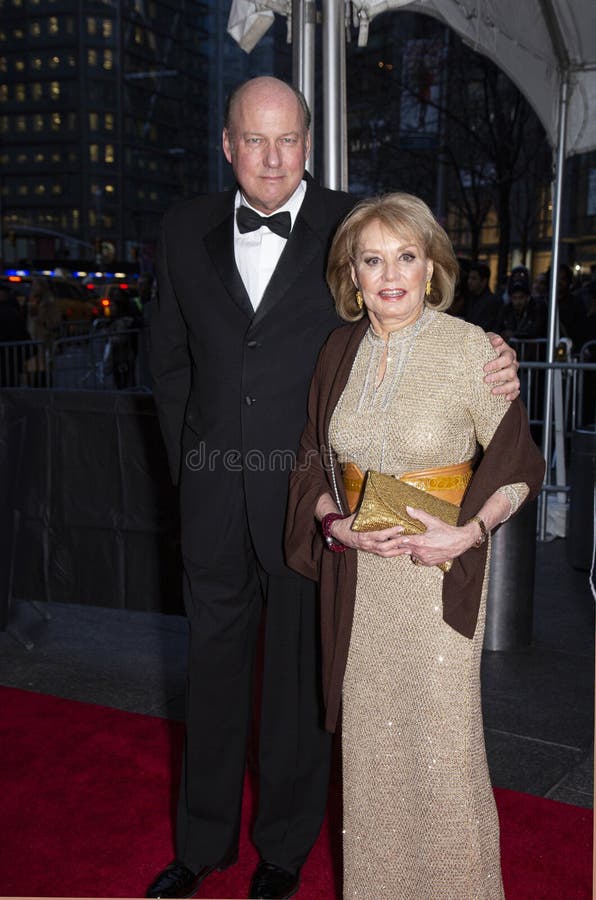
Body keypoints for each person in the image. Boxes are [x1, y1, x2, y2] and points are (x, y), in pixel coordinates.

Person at [148, 77, 521, 900]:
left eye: (287, 140)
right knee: (207, 679)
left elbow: (412, 310)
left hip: (310, 504)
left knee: (295, 684)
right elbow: (167, 362)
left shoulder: (356, 227)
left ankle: (283, 850)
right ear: (227, 144)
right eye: (254, 139)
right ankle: (201, 845)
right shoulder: (181, 229)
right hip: (214, 496)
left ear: (309, 145)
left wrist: (494, 352)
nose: (271, 157)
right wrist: (191, 469)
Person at [285, 193, 544, 899]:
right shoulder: (337, 351)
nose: (390, 273)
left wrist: (470, 531)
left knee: (442, 756)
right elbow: (312, 456)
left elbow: (522, 464)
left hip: (437, 584)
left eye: (406, 256)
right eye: (373, 259)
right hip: (362, 586)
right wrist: (330, 523)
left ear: (431, 267)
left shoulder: (470, 350)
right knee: (372, 760)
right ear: (352, 273)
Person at [497, 270, 547, 342]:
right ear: (511, 298)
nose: (518, 301)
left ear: (527, 297)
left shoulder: (535, 309)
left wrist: (514, 334)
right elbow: (497, 328)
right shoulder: (506, 310)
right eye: (515, 298)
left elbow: (535, 331)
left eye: (521, 297)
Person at [464, 261, 502, 332]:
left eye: (474, 278)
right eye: (469, 278)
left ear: (484, 281)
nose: (469, 281)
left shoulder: (492, 302)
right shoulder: (471, 298)